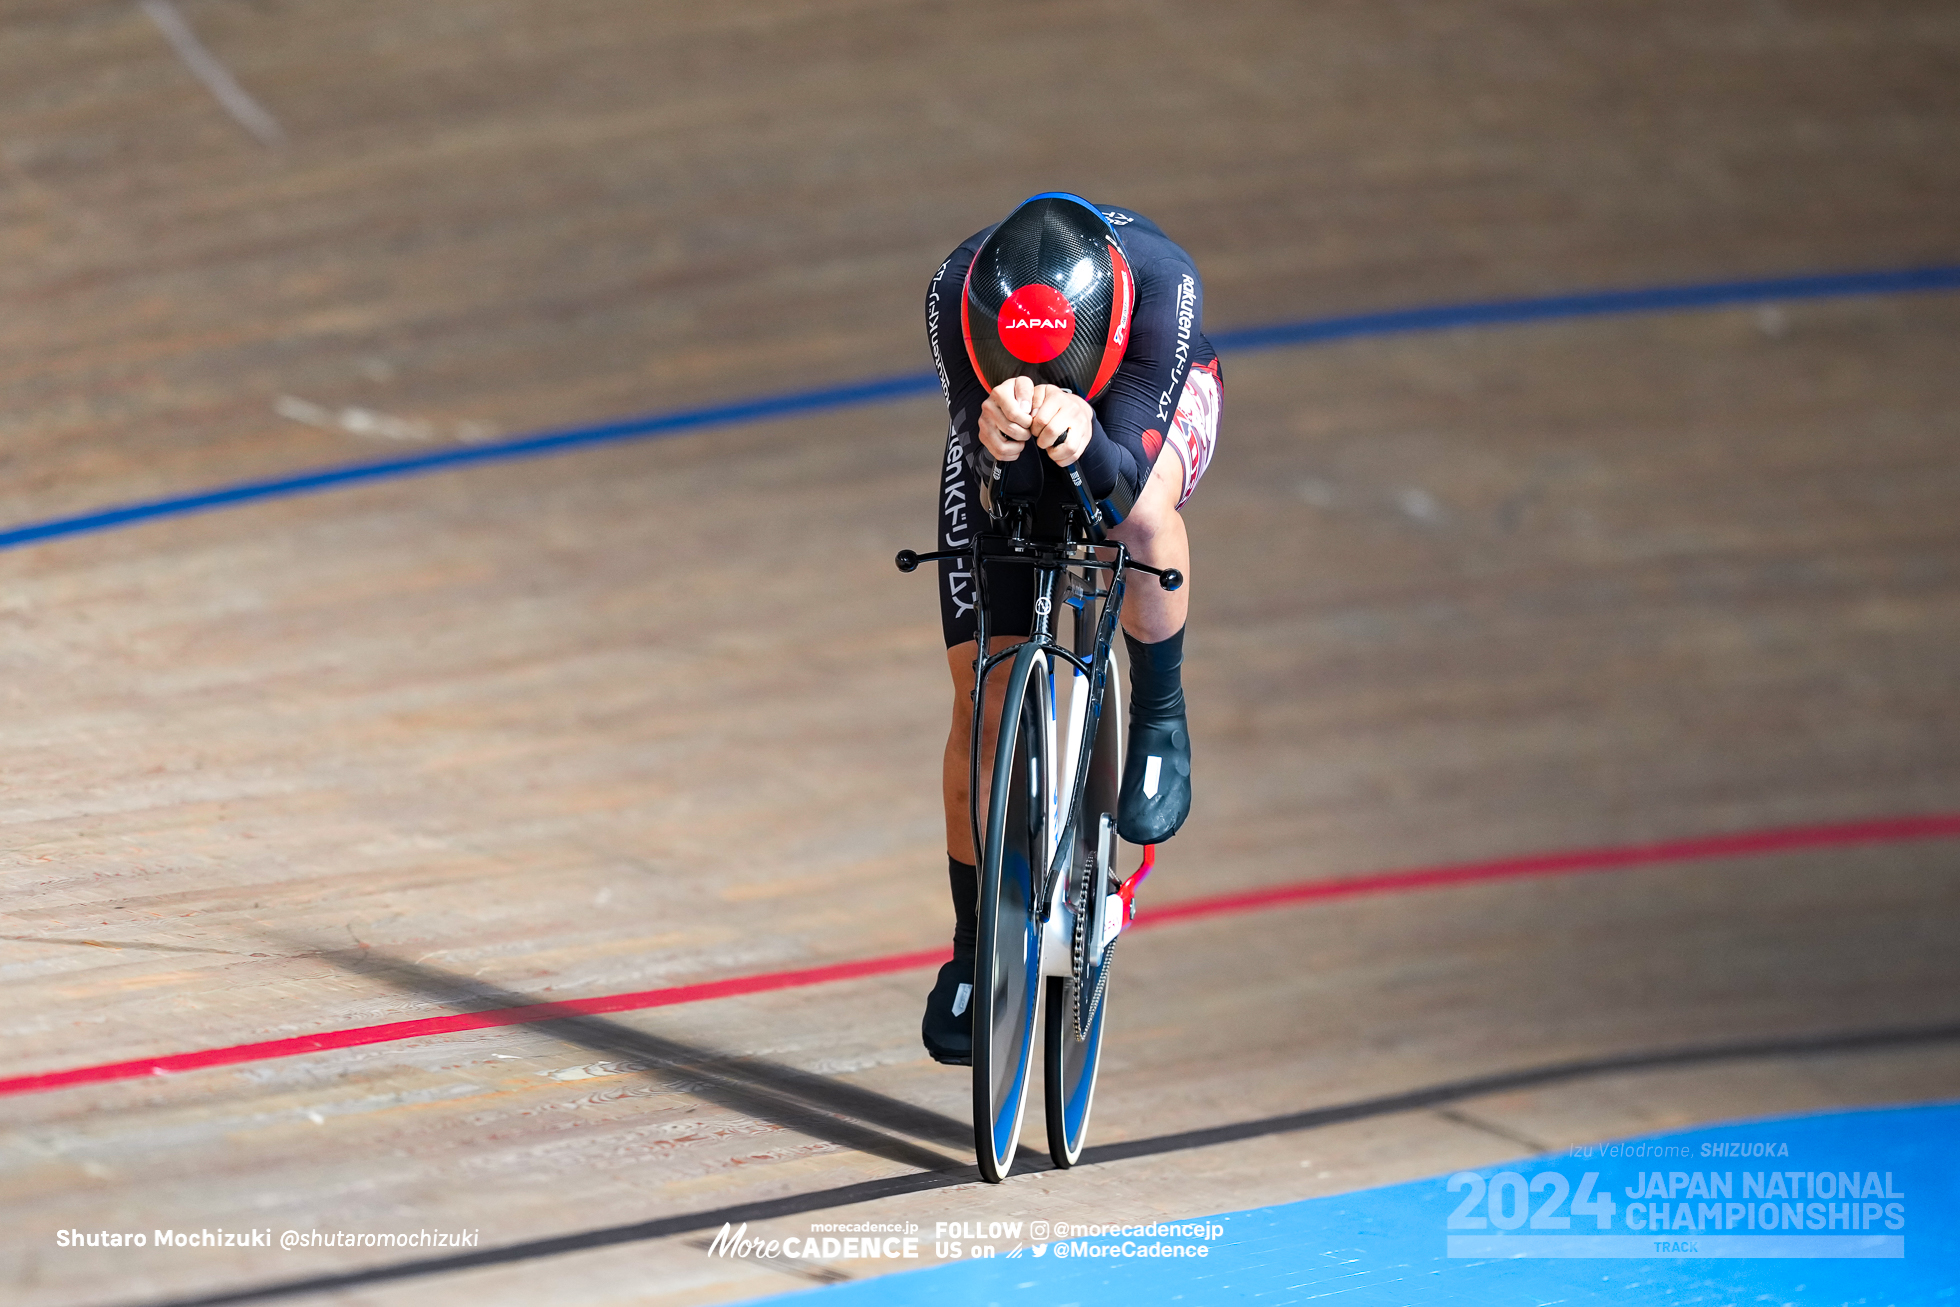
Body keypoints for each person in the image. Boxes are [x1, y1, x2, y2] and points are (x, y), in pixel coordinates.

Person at [920, 192, 1221, 1064]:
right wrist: (993, 443)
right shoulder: (954, 290)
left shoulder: (1164, 290)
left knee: (1145, 517)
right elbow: (982, 475)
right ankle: (975, 945)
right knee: (982, 702)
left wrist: (1087, 440)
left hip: (1136, 412)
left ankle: (1161, 712)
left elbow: (1122, 484)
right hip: (1004, 425)